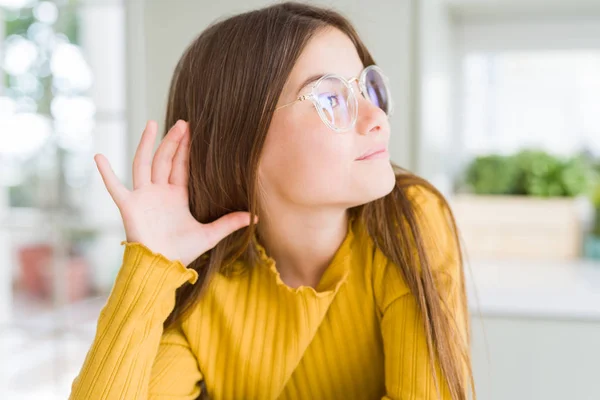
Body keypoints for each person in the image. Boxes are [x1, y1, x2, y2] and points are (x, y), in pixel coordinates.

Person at [69, 2, 474, 399]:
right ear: (241, 141)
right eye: (330, 99)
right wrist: (148, 267)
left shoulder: (407, 221)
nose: (377, 118)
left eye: (366, 88)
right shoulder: (201, 284)